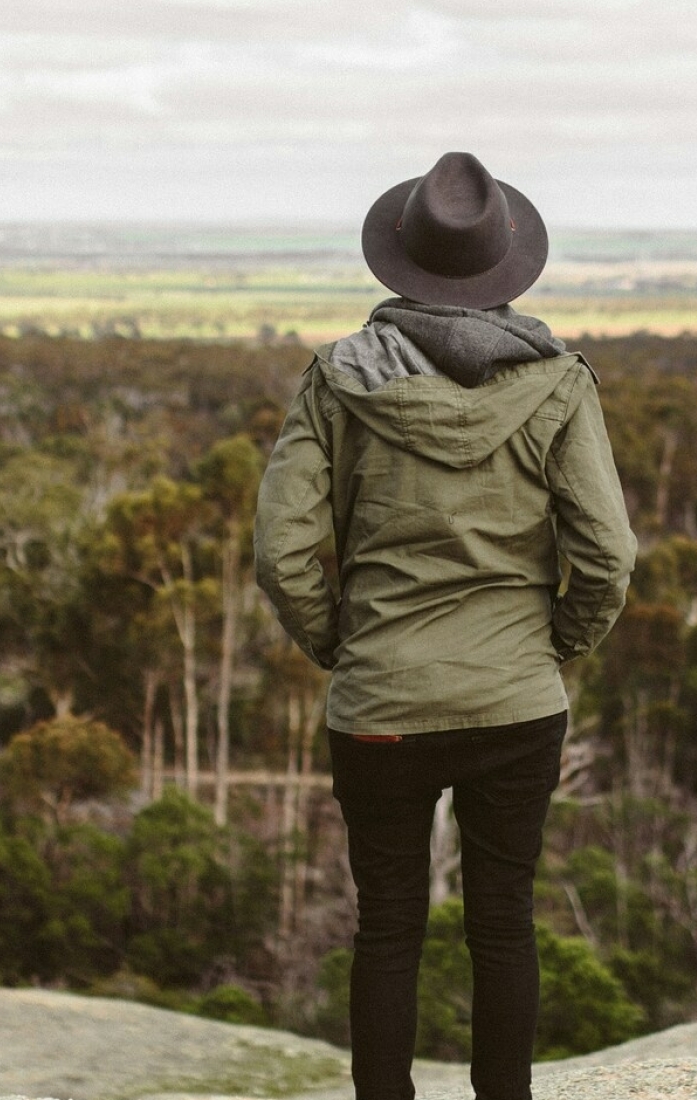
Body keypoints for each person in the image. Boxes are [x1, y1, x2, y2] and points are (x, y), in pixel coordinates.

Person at [254, 152, 637, 1100]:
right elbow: (609, 554)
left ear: (402, 258)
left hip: (381, 704)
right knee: (502, 923)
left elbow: (281, 550)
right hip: (514, 703)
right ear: (506, 268)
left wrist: (341, 648)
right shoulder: (556, 381)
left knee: (388, 929)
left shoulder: (338, 380)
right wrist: (554, 647)